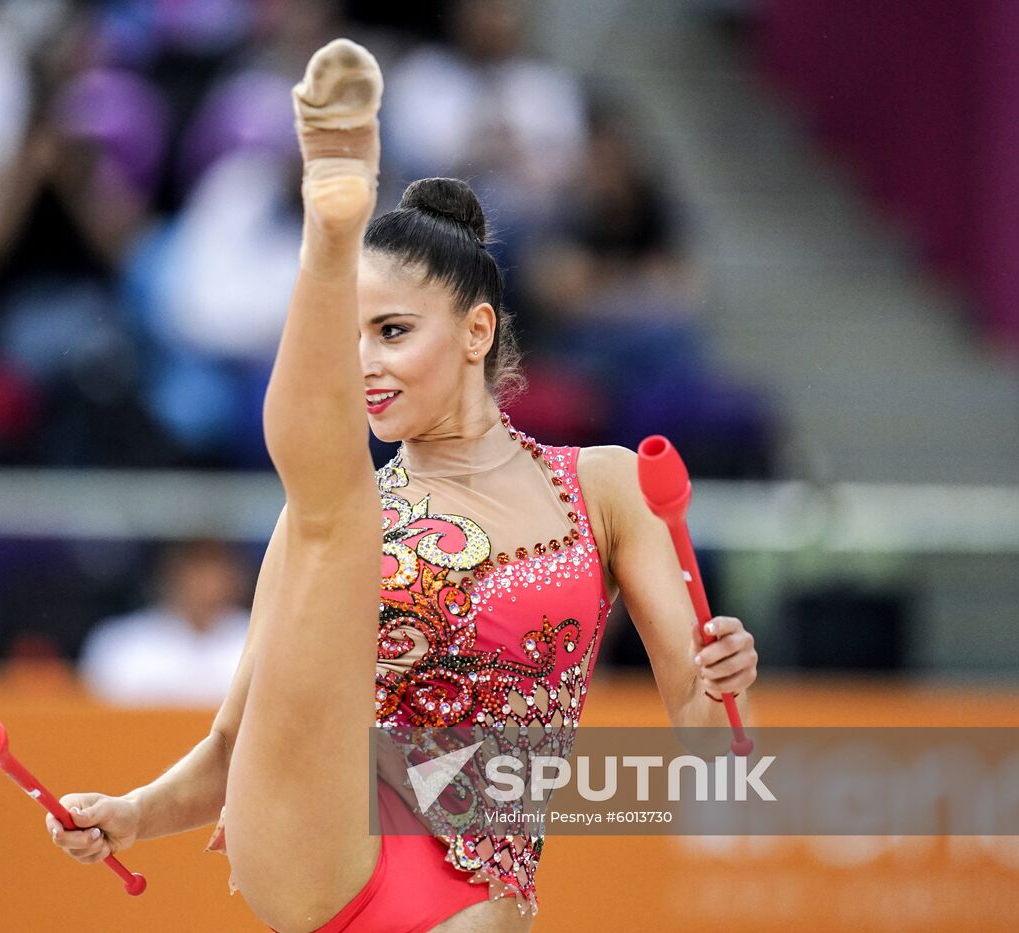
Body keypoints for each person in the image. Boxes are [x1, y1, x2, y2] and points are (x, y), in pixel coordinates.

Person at [46, 39, 758, 932]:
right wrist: (133, 814)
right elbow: (237, 743)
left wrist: (727, 686)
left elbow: (714, 743)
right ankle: (330, 232)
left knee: (332, 511)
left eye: (390, 331)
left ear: (475, 331)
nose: (366, 367)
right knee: (332, 513)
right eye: (349, 340)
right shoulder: (335, 518)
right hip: (324, 851)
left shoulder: (604, 488)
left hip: (473, 891)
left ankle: (335, 236)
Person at [77, 540, 251, 707]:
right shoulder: (119, 643)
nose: (207, 583)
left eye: (216, 569)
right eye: (194, 568)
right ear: (169, 573)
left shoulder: (260, 641)